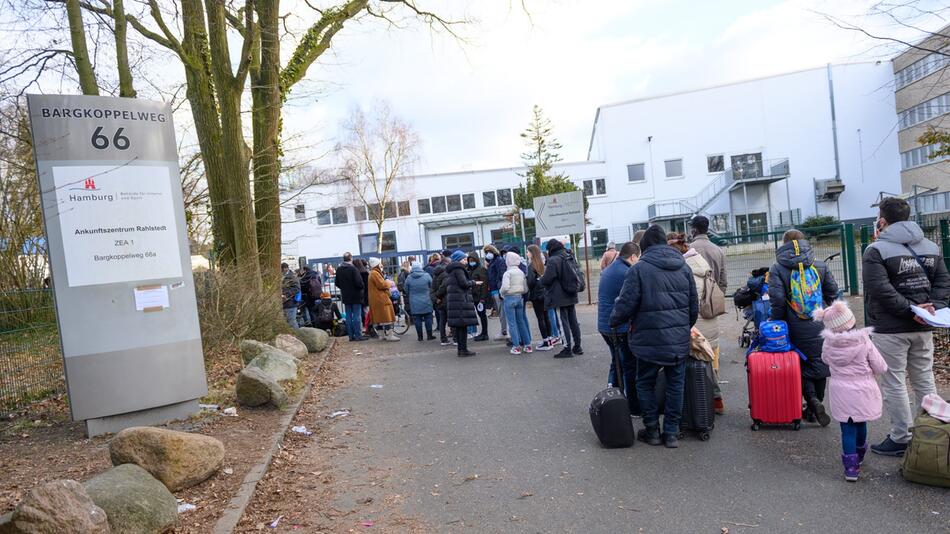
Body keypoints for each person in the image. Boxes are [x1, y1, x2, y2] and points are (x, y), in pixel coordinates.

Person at [864, 197, 950, 456]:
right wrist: (931, 308)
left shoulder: (876, 250)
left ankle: (901, 437)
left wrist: (907, 310)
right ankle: (932, 433)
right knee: (924, 378)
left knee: (894, 382)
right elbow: (943, 281)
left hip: (891, 329)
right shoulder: (931, 246)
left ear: (882, 219)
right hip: (925, 326)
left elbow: (879, 289)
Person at [609, 225, 697, 449]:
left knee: (644, 383)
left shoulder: (639, 269)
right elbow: (693, 306)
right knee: (675, 385)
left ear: (645, 245)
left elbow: (626, 303)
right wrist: (683, 327)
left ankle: (652, 430)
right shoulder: (683, 267)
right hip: (677, 339)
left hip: (647, 340)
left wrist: (614, 320)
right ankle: (671, 433)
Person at [768, 229, 839, 427]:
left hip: (794, 325)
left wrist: (776, 322)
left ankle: (812, 401)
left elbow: (778, 300)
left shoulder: (778, 268)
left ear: (784, 244)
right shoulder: (820, 265)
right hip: (821, 323)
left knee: (800, 364)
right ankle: (816, 404)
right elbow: (834, 294)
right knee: (820, 362)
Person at [812, 300, 887, 482]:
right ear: (851, 321)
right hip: (863, 388)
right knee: (861, 423)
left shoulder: (828, 344)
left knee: (847, 428)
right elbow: (880, 366)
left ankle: (850, 469)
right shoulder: (864, 341)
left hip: (840, 390)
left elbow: (825, 360)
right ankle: (860, 453)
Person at [669, 232, 726, 413]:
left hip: (697, 326)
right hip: (711, 322)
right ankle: (712, 401)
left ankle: (704, 403)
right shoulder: (700, 263)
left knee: (696, 366)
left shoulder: (685, 270)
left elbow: (686, 303)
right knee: (708, 363)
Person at [687, 216, 727, 413]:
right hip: (712, 306)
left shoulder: (688, 252)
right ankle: (715, 396)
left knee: (696, 354)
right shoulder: (718, 250)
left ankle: (701, 400)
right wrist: (714, 299)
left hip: (695, 311)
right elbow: (723, 281)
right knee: (713, 353)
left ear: (694, 230)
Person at [598, 241, 641, 415]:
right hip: (619, 327)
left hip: (605, 325)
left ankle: (612, 397)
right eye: (638, 258)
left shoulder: (610, 269)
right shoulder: (628, 272)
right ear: (632, 256)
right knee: (629, 366)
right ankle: (632, 406)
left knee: (617, 361)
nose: (638, 261)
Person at [541, 239, 583, 358]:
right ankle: (577, 346)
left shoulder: (553, 260)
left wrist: (541, 280)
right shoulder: (569, 256)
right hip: (571, 292)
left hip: (559, 296)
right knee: (573, 321)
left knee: (563, 321)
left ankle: (567, 348)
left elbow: (548, 278)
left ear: (551, 249)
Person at [444, 250, 477, 357]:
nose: (466, 261)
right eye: (463, 259)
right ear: (458, 260)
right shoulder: (459, 269)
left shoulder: (451, 270)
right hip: (460, 301)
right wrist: (473, 282)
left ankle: (461, 349)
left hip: (454, 301)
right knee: (462, 327)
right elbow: (464, 283)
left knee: (459, 327)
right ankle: (463, 349)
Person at [526, 244, 557, 351]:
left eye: (528, 251)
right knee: (546, 317)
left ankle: (545, 342)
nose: (527, 253)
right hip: (545, 294)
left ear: (532, 253)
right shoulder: (542, 265)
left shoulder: (531, 266)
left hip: (536, 295)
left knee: (541, 318)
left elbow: (530, 282)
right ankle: (549, 339)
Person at [500, 251, 532, 355]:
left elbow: (505, 287)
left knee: (512, 323)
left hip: (509, 298)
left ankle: (516, 347)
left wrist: (502, 293)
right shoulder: (521, 272)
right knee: (521, 321)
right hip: (520, 298)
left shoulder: (507, 273)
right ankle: (527, 345)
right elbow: (525, 288)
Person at [335, 253, 366, 341]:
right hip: (356, 295)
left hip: (346, 295)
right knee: (357, 315)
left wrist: (344, 288)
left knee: (348, 316)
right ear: (351, 259)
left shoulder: (339, 269)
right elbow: (359, 283)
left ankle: (351, 336)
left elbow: (337, 283)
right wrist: (361, 287)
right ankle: (358, 335)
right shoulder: (353, 269)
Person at [367, 257, 399, 342]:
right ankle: (390, 335)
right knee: (386, 317)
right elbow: (382, 285)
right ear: (377, 264)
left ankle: (382, 335)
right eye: (380, 263)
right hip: (381, 299)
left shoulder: (373, 273)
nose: (382, 265)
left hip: (376, 299)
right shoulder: (375, 273)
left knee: (379, 318)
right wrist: (388, 282)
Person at [404, 262, 435, 341]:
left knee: (417, 319)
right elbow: (432, 286)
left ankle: (420, 337)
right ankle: (429, 335)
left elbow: (406, 290)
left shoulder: (409, 277)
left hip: (414, 302)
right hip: (427, 299)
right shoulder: (427, 275)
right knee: (428, 317)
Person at [484, 244, 508, 339]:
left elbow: (501, 275)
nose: (487, 254)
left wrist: (499, 289)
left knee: (502, 312)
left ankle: (504, 331)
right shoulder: (492, 261)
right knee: (500, 312)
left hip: (497, 290)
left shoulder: (499, 261)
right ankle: (503, 330)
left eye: (488, 252)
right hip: (494, 290)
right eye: (485, 252)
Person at [467, 252, 490, 341]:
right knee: (480, 315)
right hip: (473, 296)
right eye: (470, 261)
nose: (471, 262)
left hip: (479, 297)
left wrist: (482, 298)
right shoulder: (471, 270)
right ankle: (483, 333)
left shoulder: (481, 270)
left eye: (473, 260)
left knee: (482, 315)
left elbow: (484, 285)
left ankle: (485, 333)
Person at [430, 262, 450, 345]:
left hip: (439, 302)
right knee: (451, 320)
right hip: (447, 300)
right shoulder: (446, 275)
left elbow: (431, 290)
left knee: (442, 321)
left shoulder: (434, 276)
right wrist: (438, 295)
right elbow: (444, 287)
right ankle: (456, 339)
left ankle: (443, 339)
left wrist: (435, 299)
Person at [281, 262, 301, 329]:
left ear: (285, 269)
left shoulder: (292, 277)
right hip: (285, 302)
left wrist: (285, 294)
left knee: (291, 321)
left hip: (290, 302)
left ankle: (298, 336)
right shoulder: (283, 276)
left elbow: (297, 289)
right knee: (288, 322)